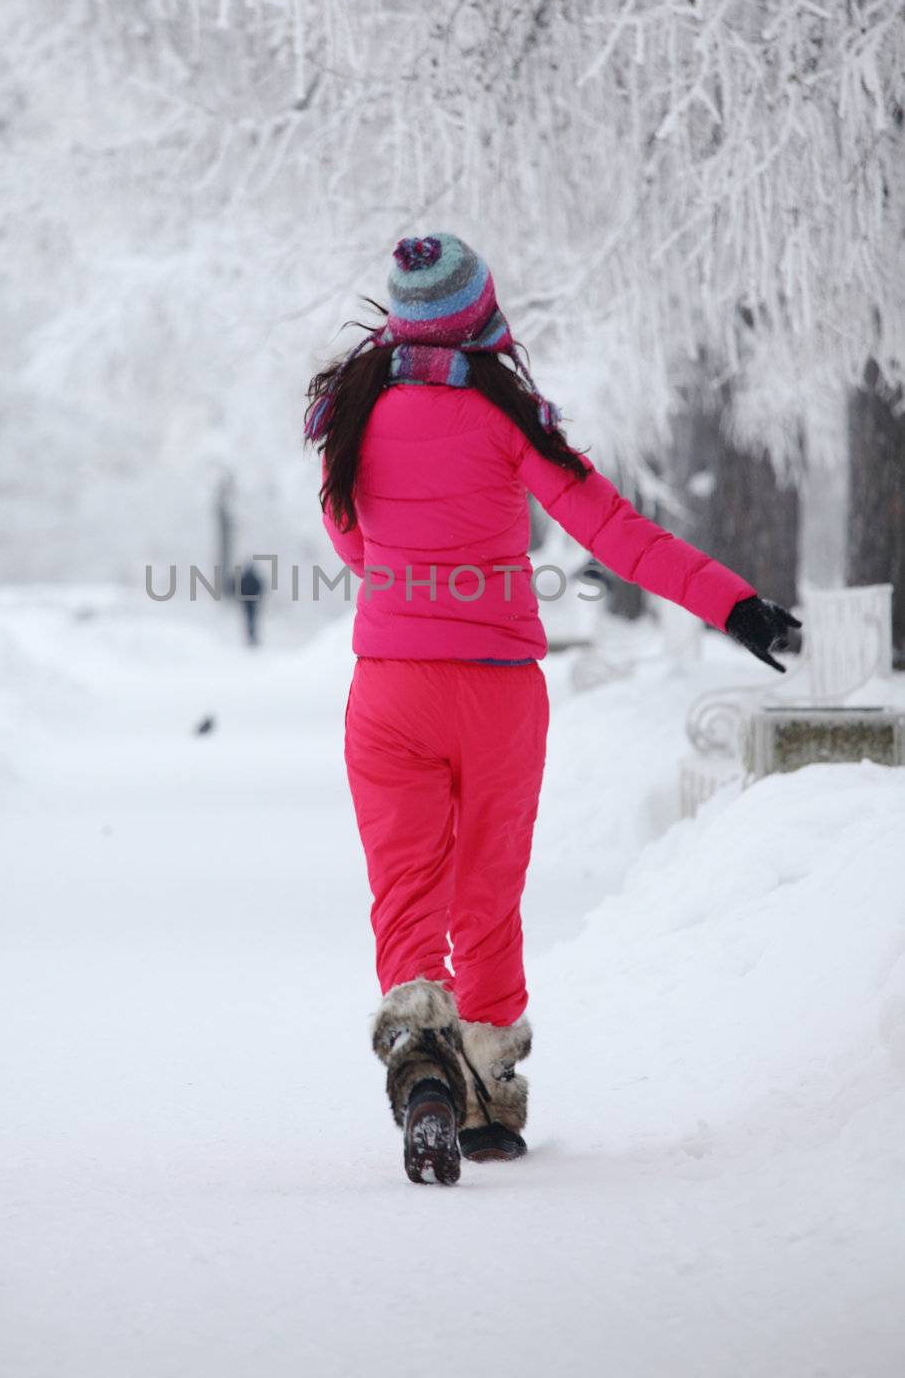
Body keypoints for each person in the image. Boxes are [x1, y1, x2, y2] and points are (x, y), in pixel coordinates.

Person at [304, 232, 801, 1186]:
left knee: (407, 892)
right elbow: (615, 531)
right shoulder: (509, 417)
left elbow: (353, 540)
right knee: (487, 889)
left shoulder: (352, 416)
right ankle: (489, 1098)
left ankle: (422, 1065)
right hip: (496, 690)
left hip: (390, 686)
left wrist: (407, 588)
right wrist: (733, 604)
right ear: (481, 314)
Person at [237, 560, 264, 647]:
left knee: (250, 619)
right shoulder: (249, 578)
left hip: (249, 602)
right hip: (251, 602)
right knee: (251, 619)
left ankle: (251, 636)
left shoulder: (244, 578)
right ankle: (251, 636)